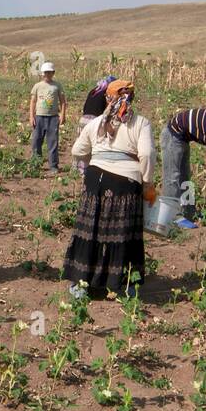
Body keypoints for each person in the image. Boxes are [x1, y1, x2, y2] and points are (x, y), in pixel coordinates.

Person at [63, 79, 155, 296]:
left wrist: (93, 160)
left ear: (107, 98)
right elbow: (147, 154)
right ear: (131, 98)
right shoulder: (140, 123)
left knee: (90, 231)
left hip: (95, 181)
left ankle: (81, 286)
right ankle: (125, 286)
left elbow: (77, 150)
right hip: (126, 183)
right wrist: (148, 183)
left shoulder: (95, 124)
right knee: (123, 233)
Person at [76, 74, 118, 175]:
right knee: (95, 145)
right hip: (94, 121)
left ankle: (80, 169)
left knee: (82, 145)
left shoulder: (94, 91)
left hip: (83, 120)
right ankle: (93, 170)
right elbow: (108, 111)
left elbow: (85, 107)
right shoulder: (107, 93)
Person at [29, 61, 66, 173]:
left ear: (53, 73)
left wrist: (62, 115)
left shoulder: (57, 86)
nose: (47, 75)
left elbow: (63, 101)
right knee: (36, 141)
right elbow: (33, 102)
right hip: (39, 117)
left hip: (53, 117)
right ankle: (36, 164)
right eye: (45, 73)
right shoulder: (37, 86)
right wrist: (31, 116)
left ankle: (53, 166)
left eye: (50, 72)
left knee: (52, 142)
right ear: (42, 74)